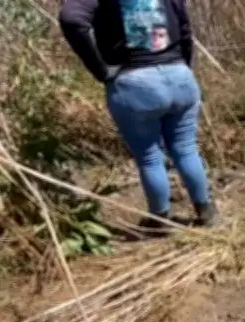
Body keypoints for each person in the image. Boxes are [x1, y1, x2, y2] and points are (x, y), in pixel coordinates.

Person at [59, 0, 218, 229]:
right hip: (180, 76)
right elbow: (185, 29)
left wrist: (100, 70)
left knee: (150, 157)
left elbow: (71, 18)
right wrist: (182, 68)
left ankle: (160, 219)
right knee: (186, 148)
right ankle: (206, 211)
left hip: (134, 84)